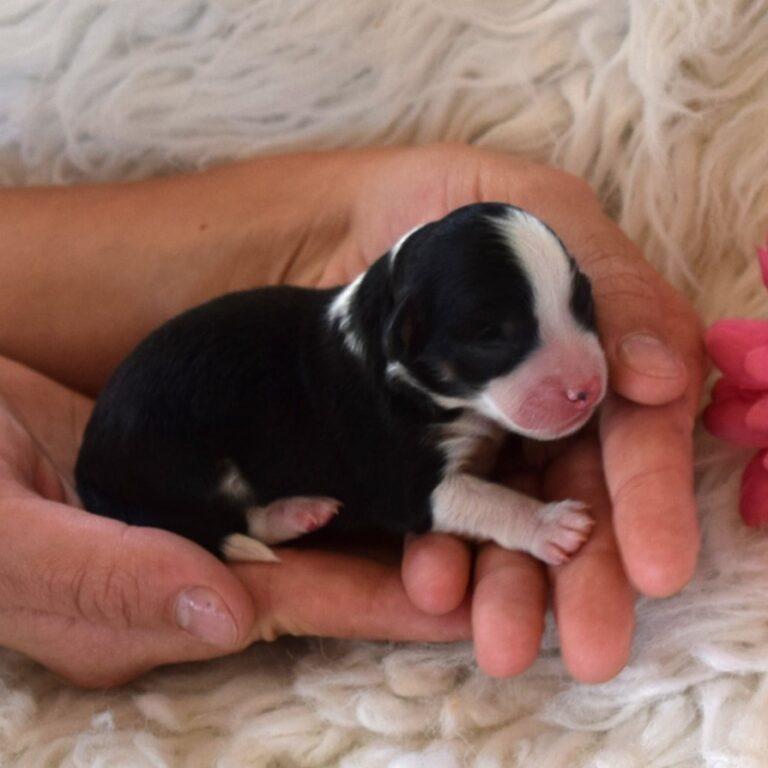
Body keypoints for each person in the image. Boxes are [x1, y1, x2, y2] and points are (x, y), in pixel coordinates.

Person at [0, 143, 704, 688]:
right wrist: (531, 522)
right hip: (153, 463)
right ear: (407, 342)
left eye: (577, 304)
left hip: (195, 412)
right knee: (210, 484)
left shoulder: (397, 347)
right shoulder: (374, 389)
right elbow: (423, 497)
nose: (583, 374)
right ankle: (237, 520)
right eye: (498, 337)